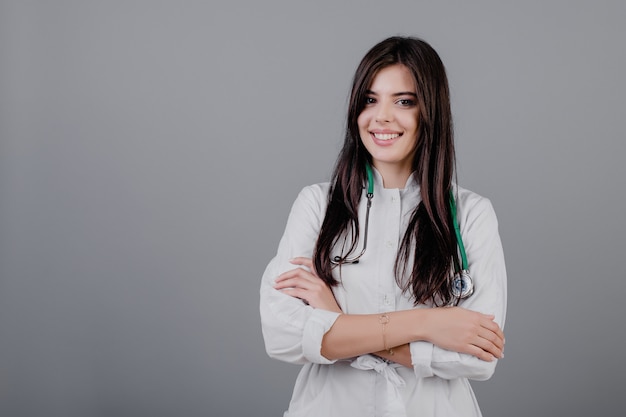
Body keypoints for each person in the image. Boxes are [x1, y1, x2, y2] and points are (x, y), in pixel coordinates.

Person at [260, 36, 507, 417]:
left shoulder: (472, 214)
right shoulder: (317, 205)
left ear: (431, 111)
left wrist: (337, 323)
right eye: (370, 100)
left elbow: (477, 358)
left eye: (404, 101)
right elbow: (283, 335)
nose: (382, 117)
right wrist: (428, 322)